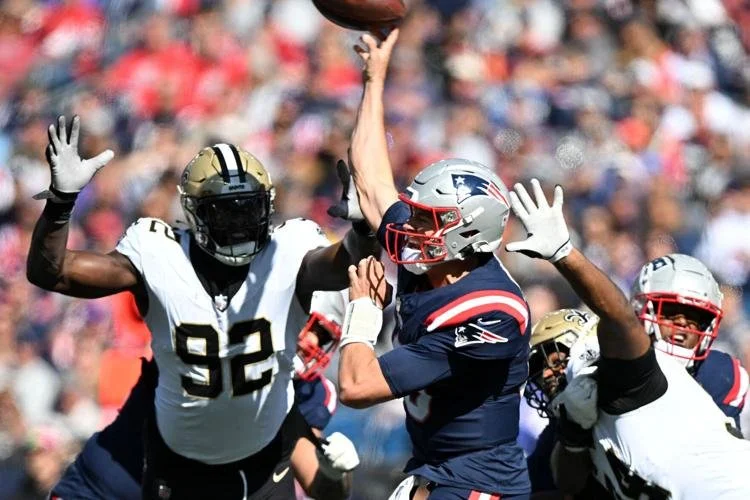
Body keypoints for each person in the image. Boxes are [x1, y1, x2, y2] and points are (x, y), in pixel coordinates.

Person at [26, 116, 376, 499]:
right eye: (226, 212)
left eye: (248, 210)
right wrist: (61, 202)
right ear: (194, 213)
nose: (239, 225)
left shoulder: (289, 254)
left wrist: (365, 229)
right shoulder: (161, 254)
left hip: (252, 466)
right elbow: (52, 273)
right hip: (165, 462)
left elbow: (346, 264)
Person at [336, 30, 531, 499]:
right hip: (434, 467)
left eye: (428, 219)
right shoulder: (428, 256)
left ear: (469, 232)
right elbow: (371, 182)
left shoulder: (491, 312)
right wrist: (374, 79)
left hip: (480, 483)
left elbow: (357, 386)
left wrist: (363, 313)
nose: (411, 226)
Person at [505, 178, 750, 499]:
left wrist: (565, 254)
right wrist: (573, 434)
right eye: (670, 312)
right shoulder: (593, 381)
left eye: (695, 318)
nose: (682, 326)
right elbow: (559, 486)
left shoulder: (720, 374)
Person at [50, 292, 358, 500]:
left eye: (323, 334)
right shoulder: (212, 339)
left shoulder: (307, 391)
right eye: (307, 324)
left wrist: (335, 471)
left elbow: (320, 483)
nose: (310, 341)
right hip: (105, 488)